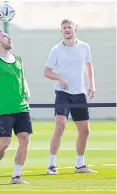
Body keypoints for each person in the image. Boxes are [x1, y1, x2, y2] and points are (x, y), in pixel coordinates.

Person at [44, 19, 97, 175]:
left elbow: (89, 66)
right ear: (61, 32)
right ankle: (51, 165)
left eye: (69, 27)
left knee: (85, 130)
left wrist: (92, 85)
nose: (67, 30)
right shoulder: (56, 50)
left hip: (79, 93)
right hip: (62, 93)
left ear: (75, 30)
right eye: (64, 28)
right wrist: (59, 78)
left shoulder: (84, 47)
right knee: (60, 126)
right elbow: (46, 71)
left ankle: (79, 165)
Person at [0, 30, 32, 184]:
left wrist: (27, 89)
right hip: (4, 110)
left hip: (22, 107)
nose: (9, 37)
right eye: (4, 37)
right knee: (4, 143)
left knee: (24, 139)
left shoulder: (18, 60)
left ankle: (16, 176)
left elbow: (22, 78)